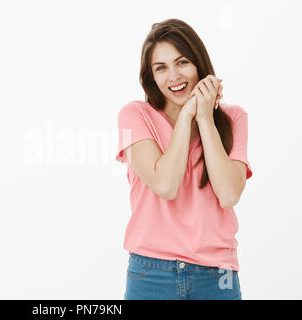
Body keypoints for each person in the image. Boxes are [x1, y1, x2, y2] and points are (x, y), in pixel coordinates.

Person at [116, 18, 253, 300]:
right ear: (151, 77)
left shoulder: (234, 118)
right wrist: (186, 116)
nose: (173, 76)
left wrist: (204, 117)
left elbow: (228, 194)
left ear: (199, 65)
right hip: (150, 273)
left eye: (182, 63)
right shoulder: (134, 116)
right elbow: (166, 184)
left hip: (218, 276)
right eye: (161, 68)